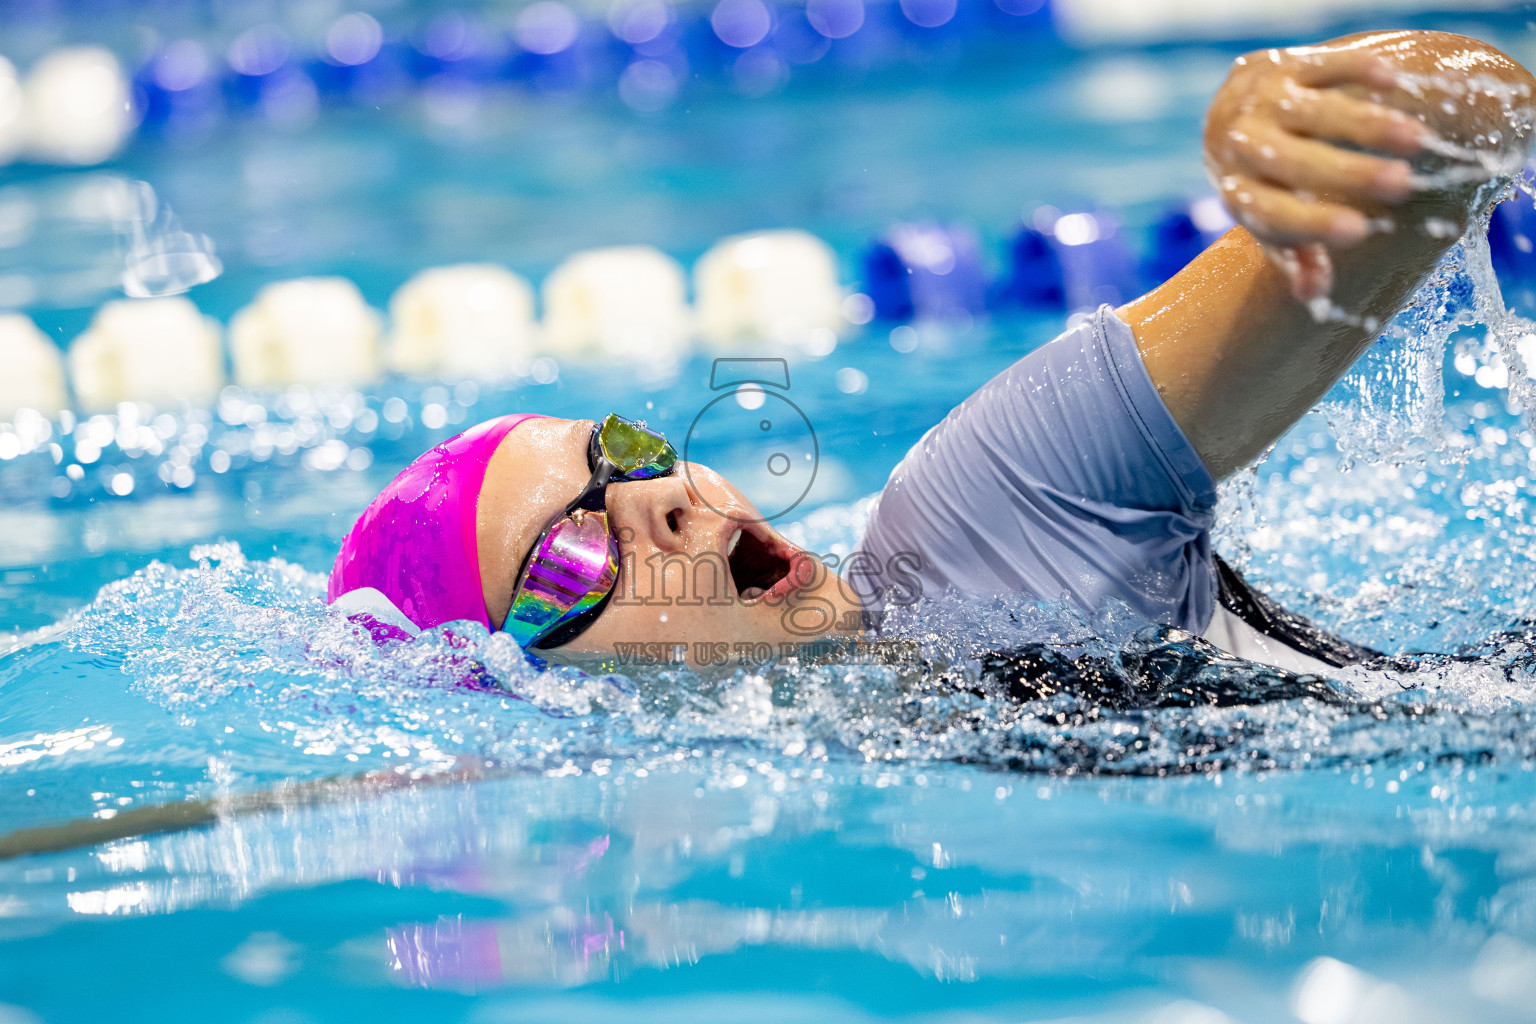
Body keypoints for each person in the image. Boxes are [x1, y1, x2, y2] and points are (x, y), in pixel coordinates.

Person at [328, 30, 1535, 676]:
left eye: (629, 456)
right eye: (576, 551)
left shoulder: (986, 508)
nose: (677, 502)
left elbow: (1481, 112)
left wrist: (1331, 117)